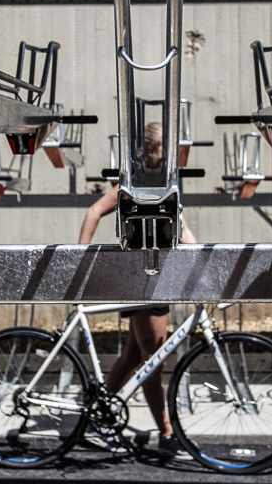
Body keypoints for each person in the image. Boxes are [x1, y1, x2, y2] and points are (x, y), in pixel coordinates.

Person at [79, 121, 194, 459]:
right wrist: (80, 260)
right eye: (163, 149)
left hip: (157, 278)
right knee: (152, 361)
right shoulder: (134, 182)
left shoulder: (167, 182)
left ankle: (94, 420)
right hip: (139, 279)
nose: (168, 154)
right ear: (153, 150)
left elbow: (183, 228)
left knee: (134, 357)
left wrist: (204, 266)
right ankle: (168, 432)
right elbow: (94, 212)